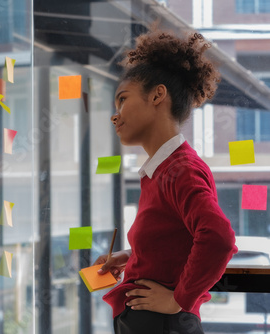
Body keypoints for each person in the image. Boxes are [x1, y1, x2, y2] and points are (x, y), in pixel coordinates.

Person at [93, 28, 238, 334]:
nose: (114, 115)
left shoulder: (179, 169)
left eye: (122, 100)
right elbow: (179, 242)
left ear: (157, 95)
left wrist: (178, 300)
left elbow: (218, 238)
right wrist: (135, 257)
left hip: (162, 324)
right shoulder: (163, 170)